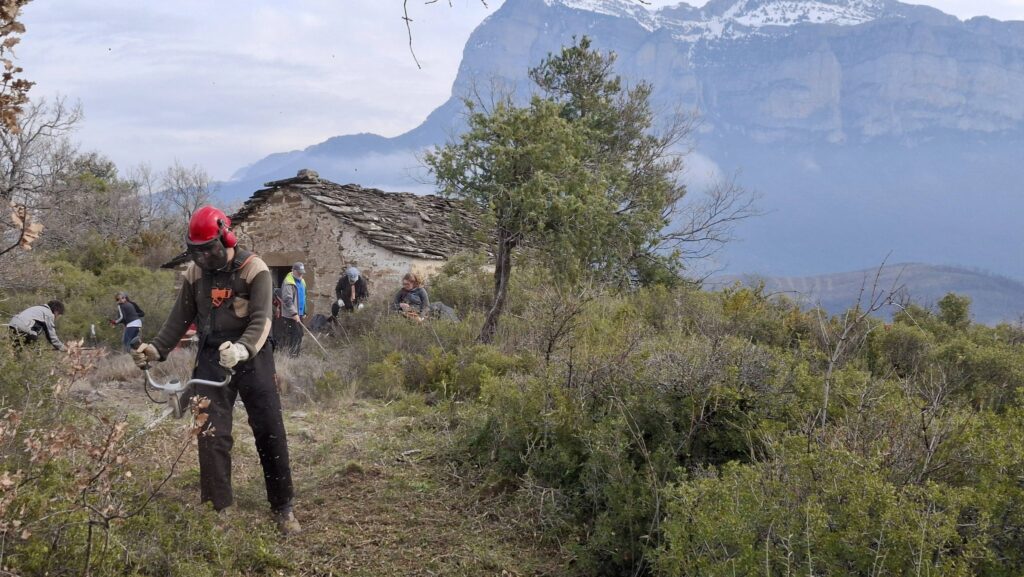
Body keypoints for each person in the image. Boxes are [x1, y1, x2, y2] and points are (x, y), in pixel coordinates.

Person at [130, 206, 299, 534]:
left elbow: (262, 319)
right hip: (210, 358)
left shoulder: (254, 269)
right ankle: (217, 510)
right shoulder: (195, 274)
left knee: (269, 430)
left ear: (226, 237)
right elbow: (178, 319)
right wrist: (155, 350)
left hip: (252, 357)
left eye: (209, 249)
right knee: (210, 435)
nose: (204, 258)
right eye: (197, 251)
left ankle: (283, 506)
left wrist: (242, 349)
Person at [280, 262, 306, 357]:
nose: (301, 274)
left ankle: (296, 353)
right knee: (293, 335)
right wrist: (294, 314)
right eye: (299, 272)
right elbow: (287, 301)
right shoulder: (288, 282)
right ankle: (292, 356)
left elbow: (304, 297)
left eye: (302, 272)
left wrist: (304, 311)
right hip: (291, 315)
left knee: (299, 334)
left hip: (299, 313)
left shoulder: (302, 281)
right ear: (293, 271)